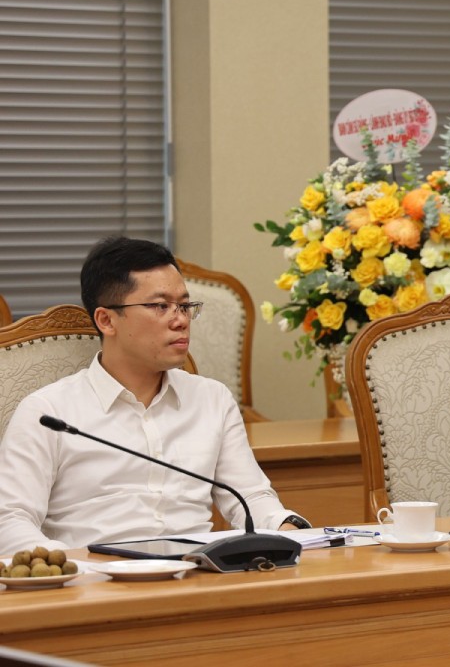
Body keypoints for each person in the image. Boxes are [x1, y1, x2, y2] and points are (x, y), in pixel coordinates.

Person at [0, 237, 308, 555]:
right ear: (106, 320)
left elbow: (251, 499)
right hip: (94, 584)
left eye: (185, 306)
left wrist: (285, 527)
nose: (181, 320)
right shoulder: (49, 413)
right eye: (161, 306)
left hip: (198, 578)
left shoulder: (212, 399)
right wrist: (68, 565)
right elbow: (10, 521)